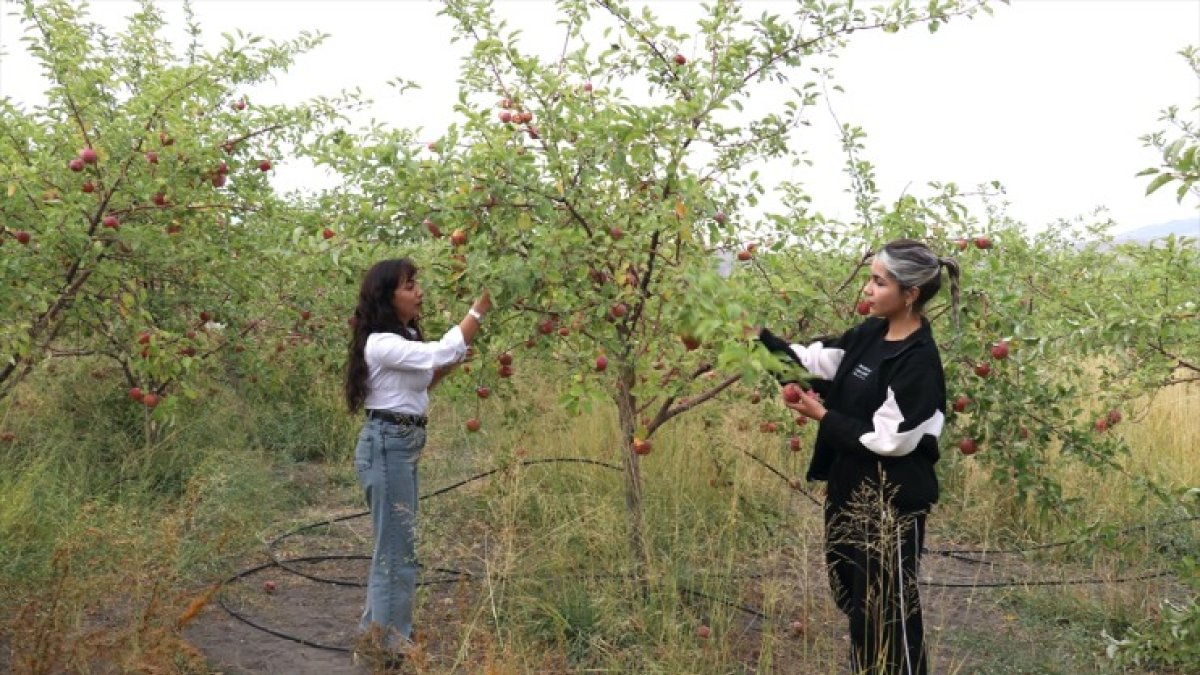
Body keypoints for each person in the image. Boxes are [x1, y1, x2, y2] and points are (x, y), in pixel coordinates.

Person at [756, 239, 960, 675]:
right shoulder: (868, 336)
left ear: (911, 294)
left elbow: (891, 440)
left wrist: (823, 416)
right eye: (870, 278)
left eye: (879, 282)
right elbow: (810, 363)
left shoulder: (918, 362)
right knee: (855, 597)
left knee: (888, 610)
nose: (867, 289)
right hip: (847, 490)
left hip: (890, 505)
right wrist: (758, 340)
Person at [344, 257, 491, 665]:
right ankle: (389, 648)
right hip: (388, 445)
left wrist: (452, 364)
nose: (419, 292)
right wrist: (479, 309)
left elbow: (422, 382)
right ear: (387, 297)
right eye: (409, 286)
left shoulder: (401, 339)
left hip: (400, 443)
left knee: (394, 547)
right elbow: (441, 349)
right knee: (397, 551)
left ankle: (376, 636)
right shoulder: (381, 342)